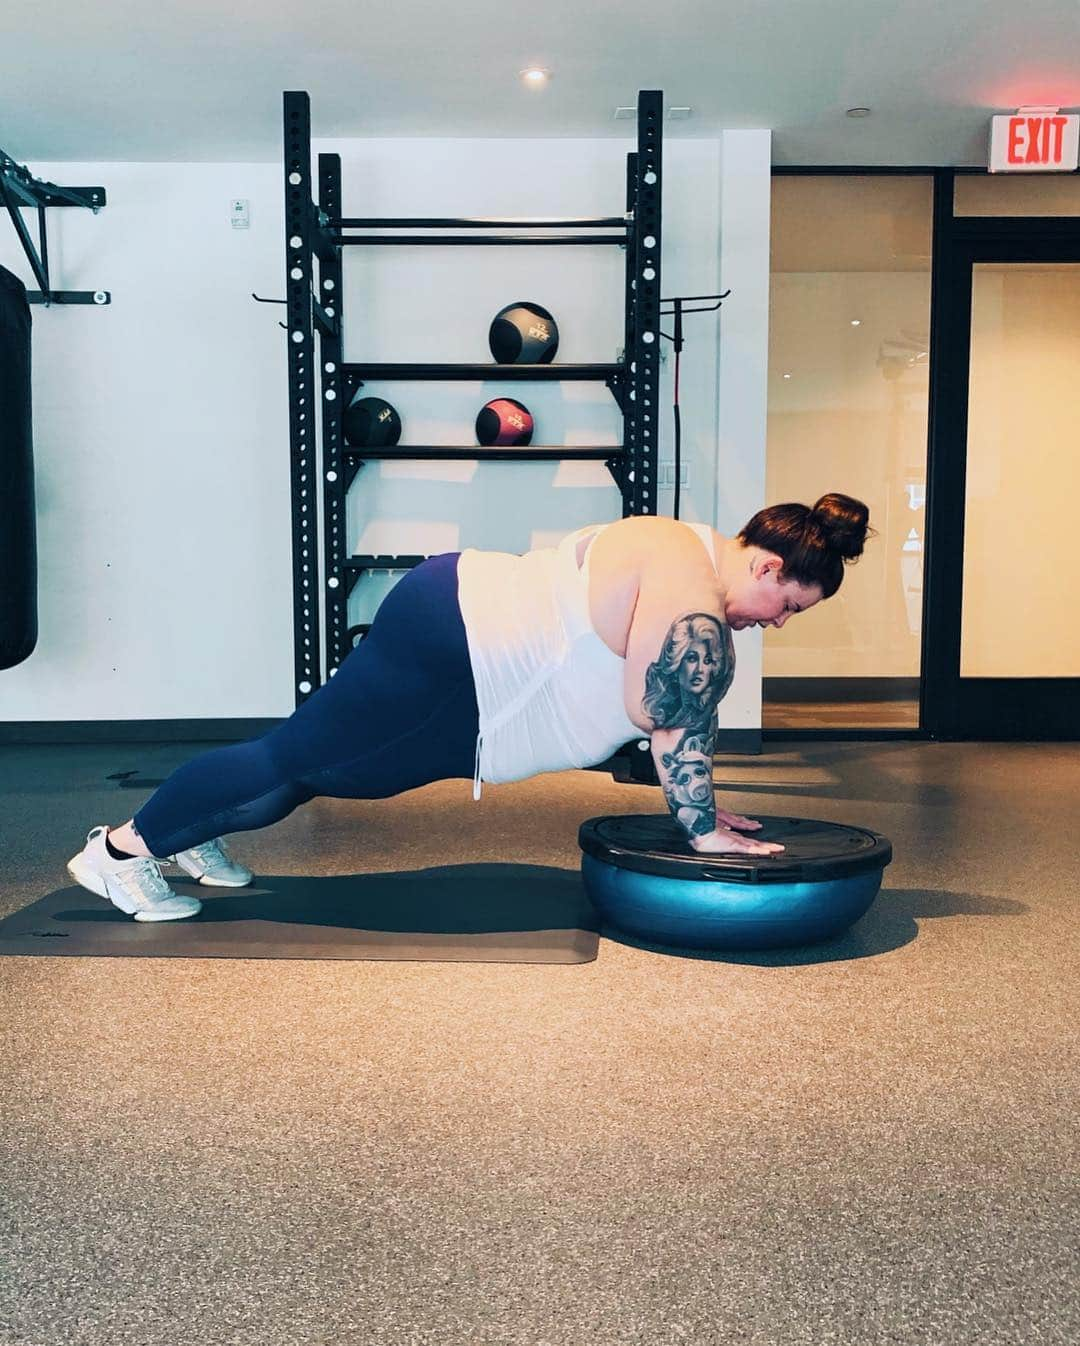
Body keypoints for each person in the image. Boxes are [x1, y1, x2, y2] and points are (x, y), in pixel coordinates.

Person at [66, 493, 871, 922]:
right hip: (463, 657)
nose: (775, 624)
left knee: (324, 765)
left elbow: (662, 710)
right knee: (299, 760)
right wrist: (702, 830)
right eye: (790, 607)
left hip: (461, 645)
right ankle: (121, 853)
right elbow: (666, 710)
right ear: (767, 567)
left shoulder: (683, 541)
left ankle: (187, 829)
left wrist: (705, 804)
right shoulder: (692, 591)